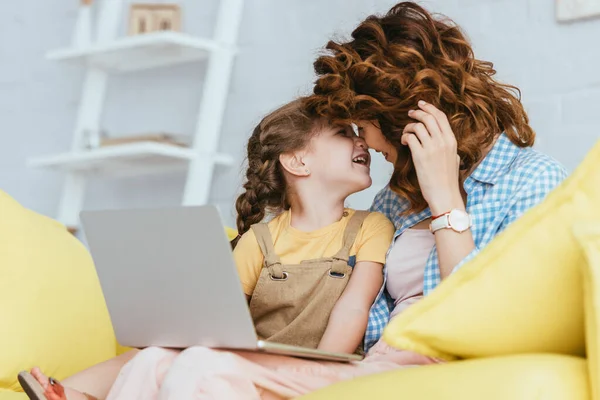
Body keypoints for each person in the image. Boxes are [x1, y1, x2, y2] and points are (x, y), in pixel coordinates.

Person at [19, 98, 402, 400]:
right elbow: (216, 322)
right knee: (155, 356)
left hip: (321, 370)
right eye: (342, 133)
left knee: (201, 363)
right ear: (298, 161)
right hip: (254, 367)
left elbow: (354, 308)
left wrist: (327, 379)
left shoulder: (370, 226)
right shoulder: (260, 240)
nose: (361, 140)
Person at [304, 1, 568, 349]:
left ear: (404, 121)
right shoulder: (395, 197)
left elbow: (486, 329)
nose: (364, 140)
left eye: (363, 125)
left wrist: (445, 200)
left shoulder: (535, 183)